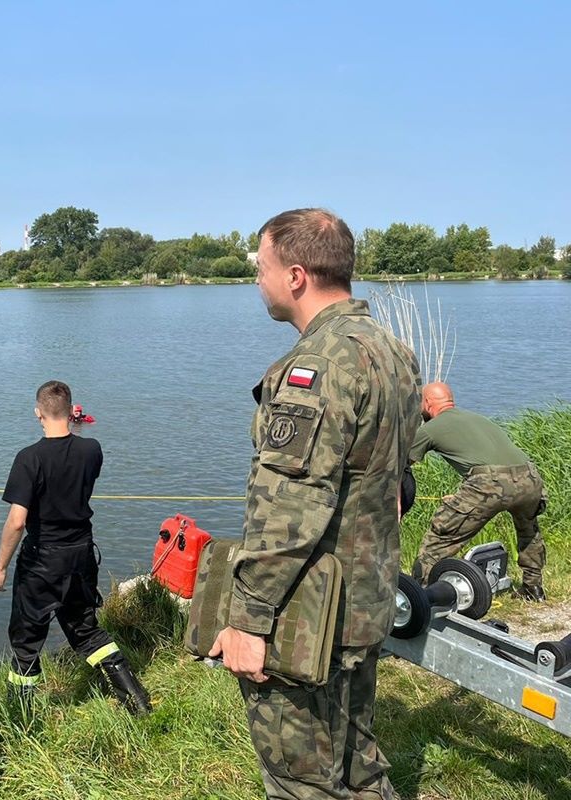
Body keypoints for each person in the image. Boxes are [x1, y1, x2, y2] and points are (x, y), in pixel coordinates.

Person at [208, 209, 421, 799]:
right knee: (357, 762)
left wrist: (249, 620)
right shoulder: (393, 352)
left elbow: (289, 510)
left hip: (307, 615)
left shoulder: (317, 366)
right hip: (364, 597)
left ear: (296, 275)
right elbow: (398, 484)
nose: (258, 278)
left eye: (262, 266)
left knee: (300, 777)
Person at [0, 380, 150, 715]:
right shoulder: (92, 451)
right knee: (85, 631)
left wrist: (0, 567)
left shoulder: (29, 459)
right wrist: (72, 425)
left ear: (37, 413)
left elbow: (17, 521)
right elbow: (74, 457)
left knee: (27, 641)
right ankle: (138, 703)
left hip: (42, 561)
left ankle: (19, 719)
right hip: (80, 556)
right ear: (72, 410)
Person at [410, 381, 547, 601]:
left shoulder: (430, 428)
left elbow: (400, 464)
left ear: (427, 402)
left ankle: (419, 595)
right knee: (529, 532)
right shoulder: (477, 418)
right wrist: (465, 497)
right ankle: (533, 588)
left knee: (440, 539)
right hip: (529, 477)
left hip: (488, 483)